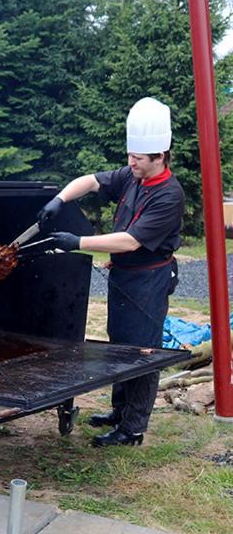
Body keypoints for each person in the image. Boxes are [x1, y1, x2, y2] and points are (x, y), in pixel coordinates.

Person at [38, 97, 183, 447]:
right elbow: (89, 181)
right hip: (124, 276)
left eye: (138, 157)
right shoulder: (132, 176)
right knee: (121, 344)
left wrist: (78, 242)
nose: (130, 162)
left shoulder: (169, 194)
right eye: (130, 155)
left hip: (149, 279)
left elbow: (130, 241)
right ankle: (119, 410)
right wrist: (59, 199)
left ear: (159, 156)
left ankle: (132, 428)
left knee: (143, 351)